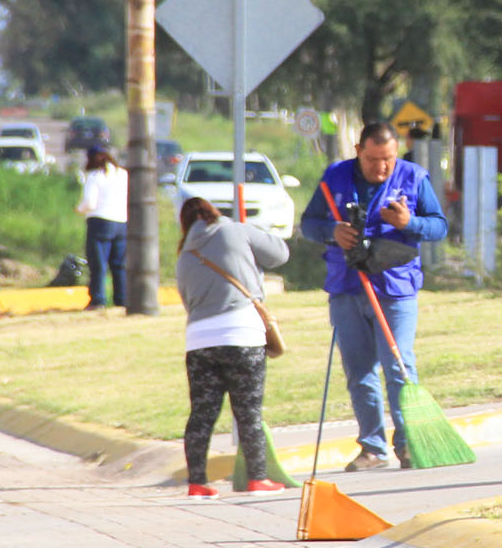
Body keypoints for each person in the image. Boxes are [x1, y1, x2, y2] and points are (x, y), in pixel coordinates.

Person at [297, 121, 449, 471]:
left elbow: (439, 226)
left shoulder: (414, 177)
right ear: (358, 152)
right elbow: (309, 223)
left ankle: (410, 444)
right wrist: (331, 231)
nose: (381, 167)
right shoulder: (334, 177)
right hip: (346, 287)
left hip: (395, 288)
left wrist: (408, 223)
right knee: (358, 370)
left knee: (400, 367)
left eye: (388, 159)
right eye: (372, 159)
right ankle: (373, 448)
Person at [174, 196, 291, 497]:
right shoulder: (236, 230)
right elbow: (280, 254)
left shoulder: (185, 254)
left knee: (201, 413)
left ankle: (198, 483)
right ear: (214, 212)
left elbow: (188, 302)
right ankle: (258, 478)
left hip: (199, 340)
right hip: (242, 333)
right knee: (248, 411)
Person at [74, 143, 127, 310]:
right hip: (121, 222)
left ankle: (98, 300)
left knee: (98, 264)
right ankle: (122, 299)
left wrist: (79, 209)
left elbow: (90, 203)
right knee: (118, 264)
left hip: (99, 222)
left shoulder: (95, 176)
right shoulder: (123, 174)